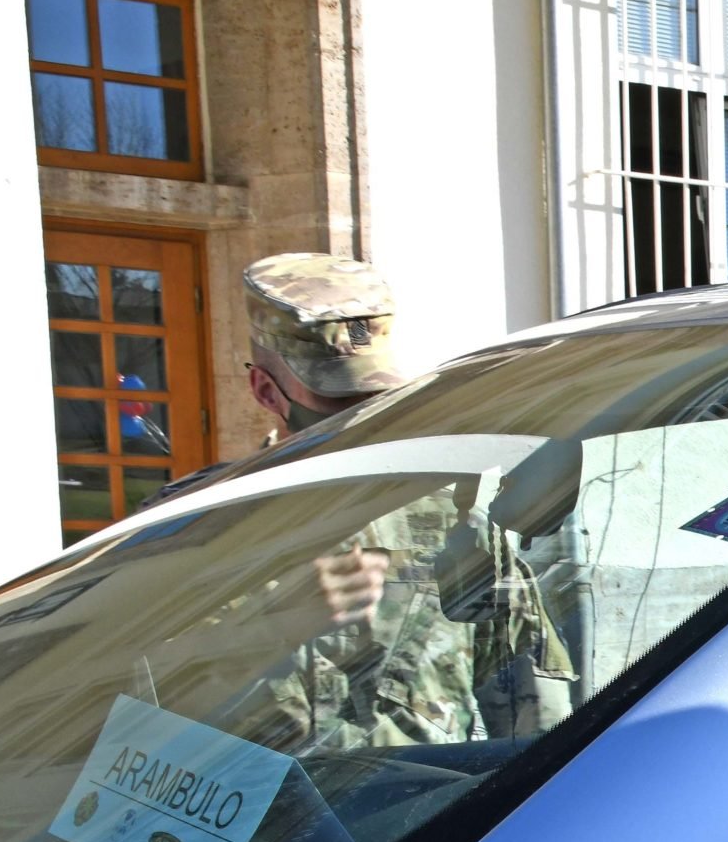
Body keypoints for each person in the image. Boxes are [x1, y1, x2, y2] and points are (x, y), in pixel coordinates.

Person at [234, 253, 574, 749]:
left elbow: (535, 708)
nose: (368, 418)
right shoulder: (199, 527)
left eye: (378, 396)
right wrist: (271, 623)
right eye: (338, 399)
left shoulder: (457, 519)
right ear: (267, 391)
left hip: (422, 816)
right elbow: (120, 693)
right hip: (262, 819)